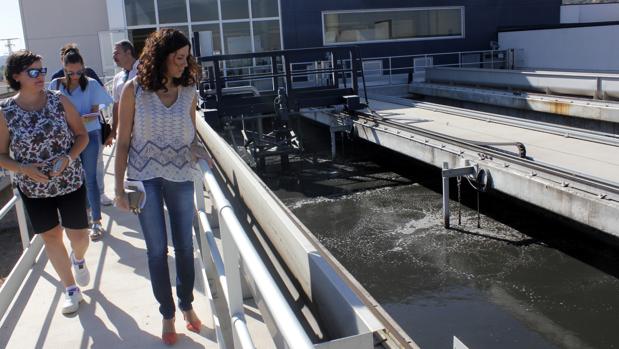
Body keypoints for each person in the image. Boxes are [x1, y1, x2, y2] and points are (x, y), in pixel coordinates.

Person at [114, 29, 210, 345]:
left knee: (184, 244)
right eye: (178, 58)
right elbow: (124, 141)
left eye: (186, 58)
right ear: (161, 58)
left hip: (181, 172)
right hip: (144, 176)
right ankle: (167, 313)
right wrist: (118, 188)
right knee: (157, 249)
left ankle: (186, 304)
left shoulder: (189, 90)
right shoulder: (133, 91)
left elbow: (191, 130)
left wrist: (199, 147)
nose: (184, 64)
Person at [0, 50, 91, 314]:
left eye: (42, 70)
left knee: (79, 236)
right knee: (51, 237)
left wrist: (68, 157)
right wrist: (23, 168)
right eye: (33, 72)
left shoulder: (58, 100)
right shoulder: (5, 112)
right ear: (16, 76)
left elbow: (82, 135)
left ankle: (79, 258)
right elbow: (1, 155)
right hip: (33, 189)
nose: (41, 76)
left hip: (69, 182)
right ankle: (71, 290)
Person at [50, 48, 113, 241]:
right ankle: (82, 217)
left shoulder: (91, 84)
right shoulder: (55, 85)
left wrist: (83, 118)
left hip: (90, 134)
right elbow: (51, 111)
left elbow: (96, 110)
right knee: (74, 180)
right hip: (67, 139)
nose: (75, 76)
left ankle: (96, 222)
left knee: (90, 178)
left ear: (83, 68)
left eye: (79, 72)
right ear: (64, 68)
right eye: (70, 72)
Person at [110, 40, 139, 145]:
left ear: (128, 53)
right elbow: (116, 105)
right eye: (113, 54)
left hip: (143, 127)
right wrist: (114, 129)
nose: (114, 57)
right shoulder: (117, 78)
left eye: (117, 53)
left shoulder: (145, 71)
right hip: (125, 130)